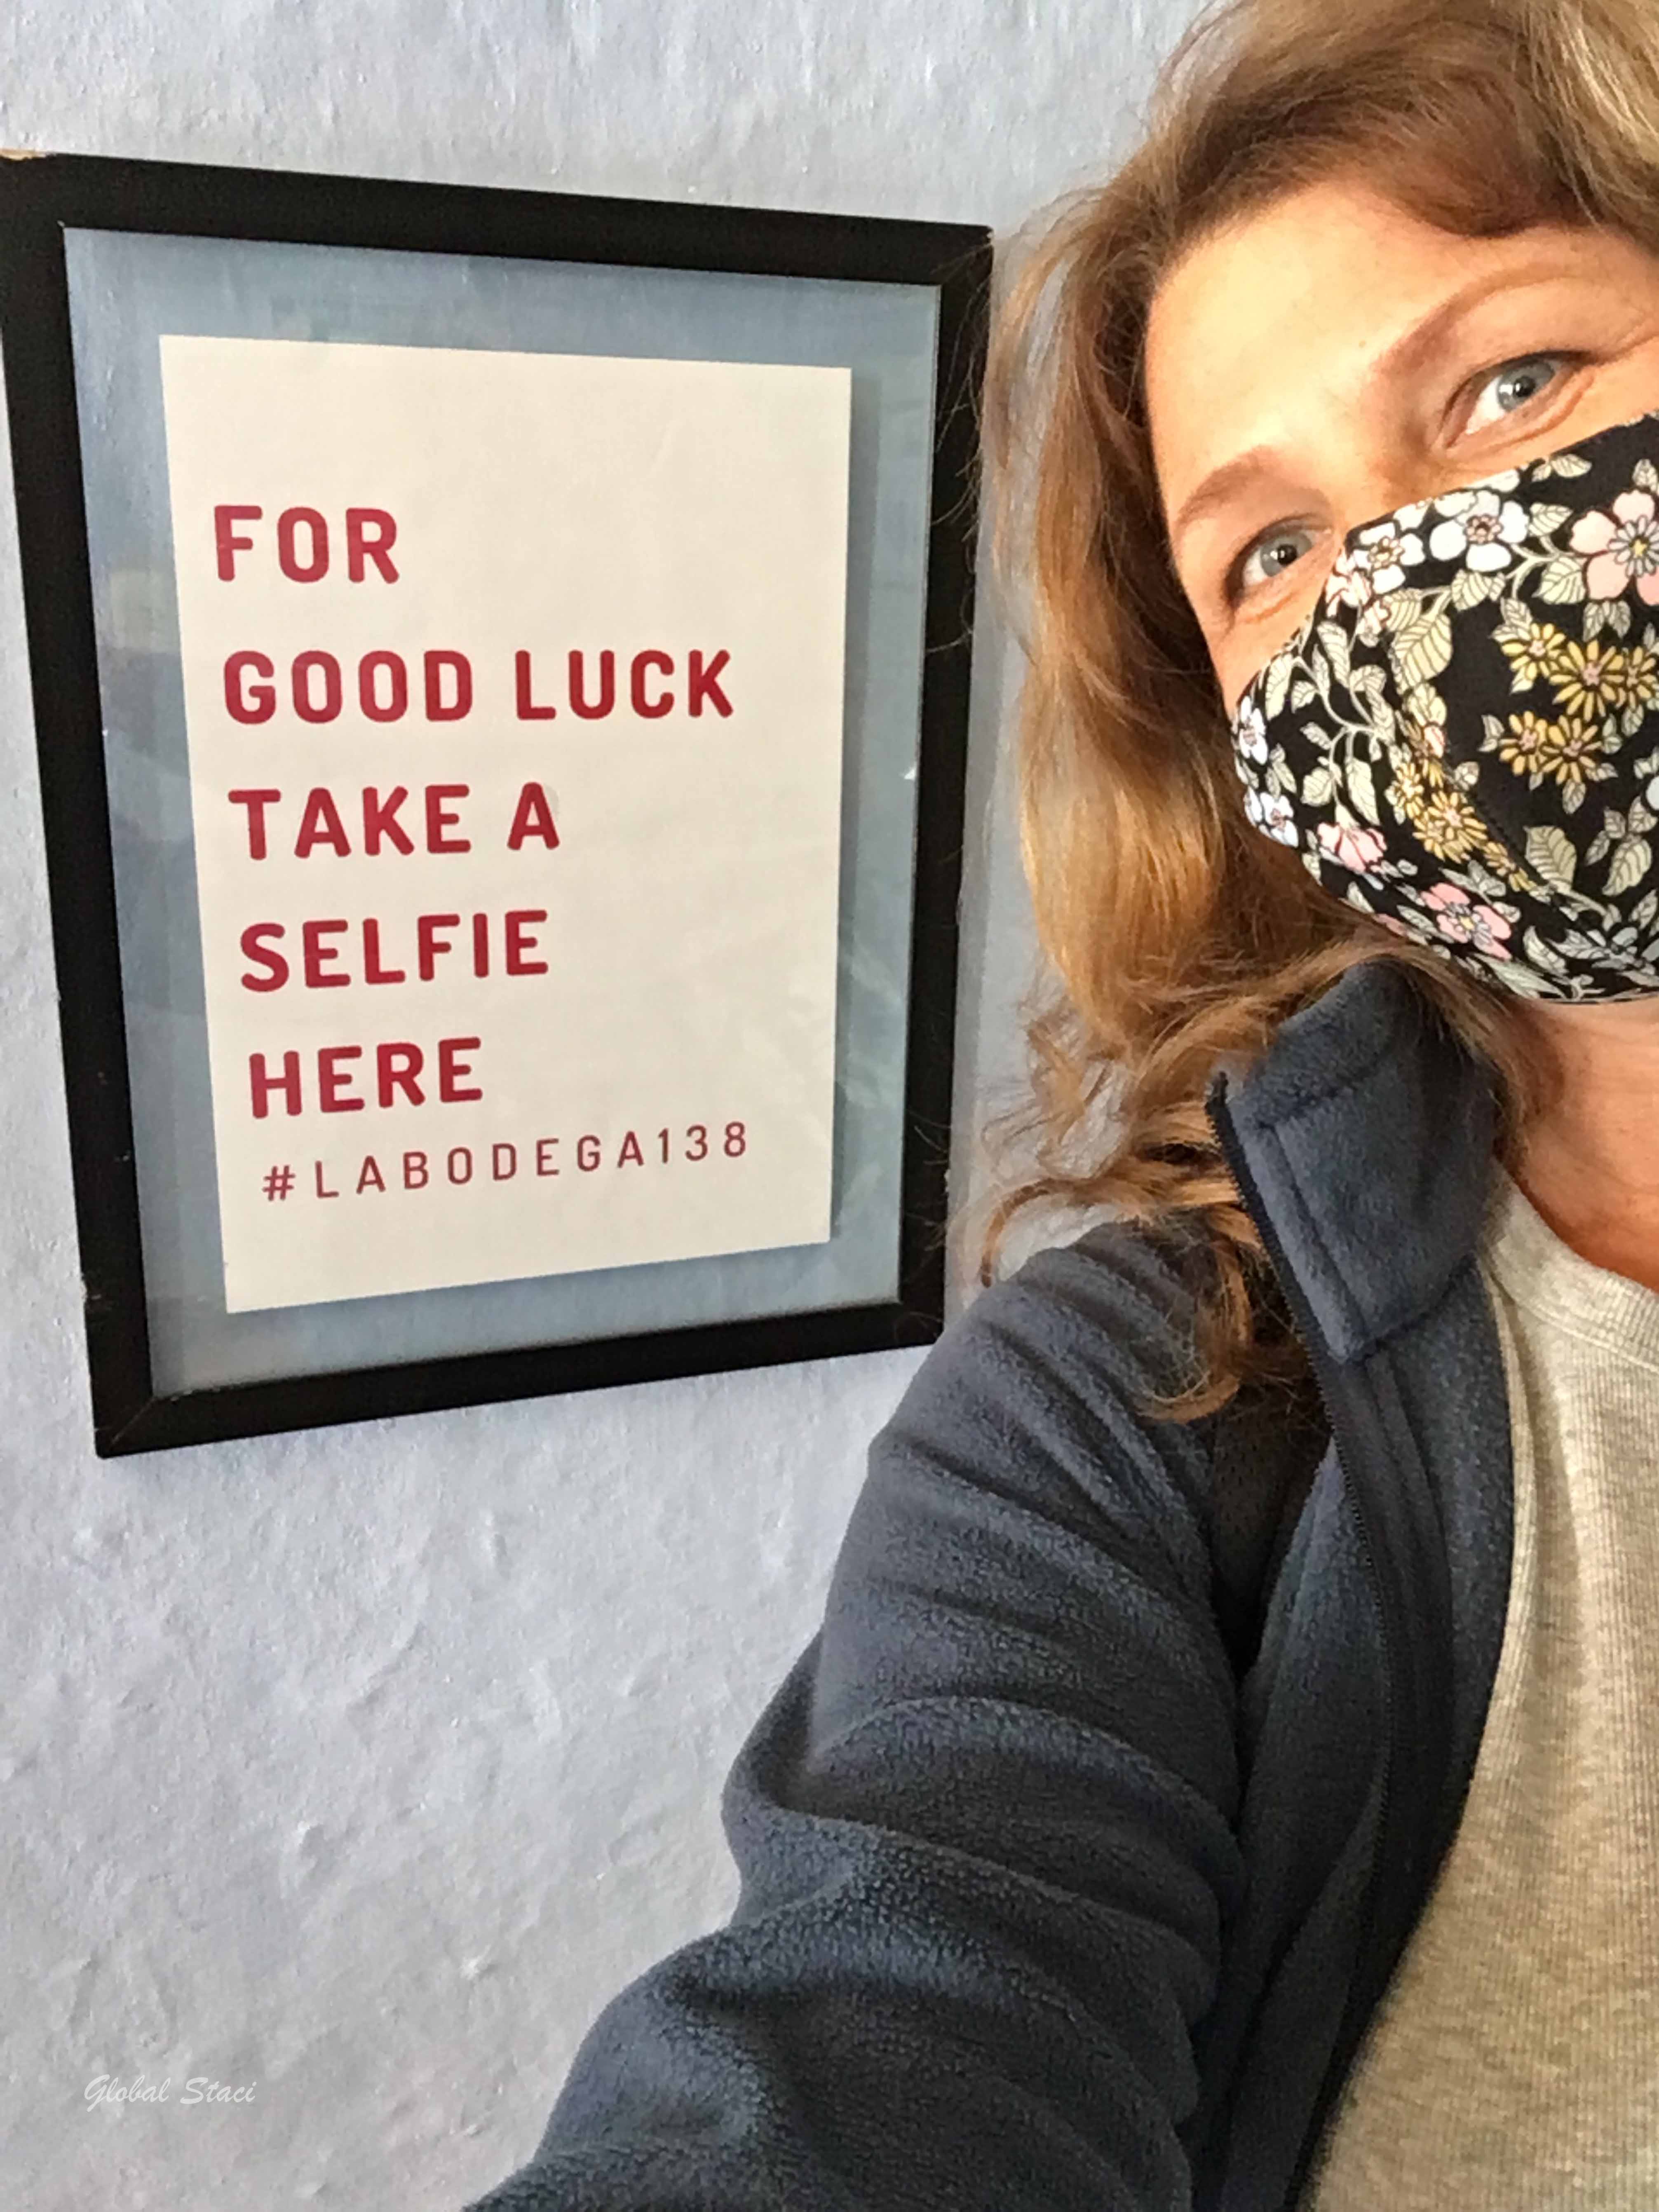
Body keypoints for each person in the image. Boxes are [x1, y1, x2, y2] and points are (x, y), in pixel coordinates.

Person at [462, 0, 1659, 2203]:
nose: (1420, 584)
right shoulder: (1144, 1403)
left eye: (1516, 384)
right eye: (1274, 552)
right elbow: (899, 2013)